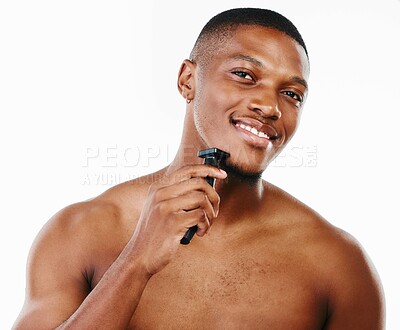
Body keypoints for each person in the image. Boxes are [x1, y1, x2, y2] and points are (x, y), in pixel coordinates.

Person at [13, 8, 385, 329]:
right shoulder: (81, 232)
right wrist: (136, 261)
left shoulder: (338, 265)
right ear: (187, 80)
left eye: (292, 94)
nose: (271, 106)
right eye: (244, 74)